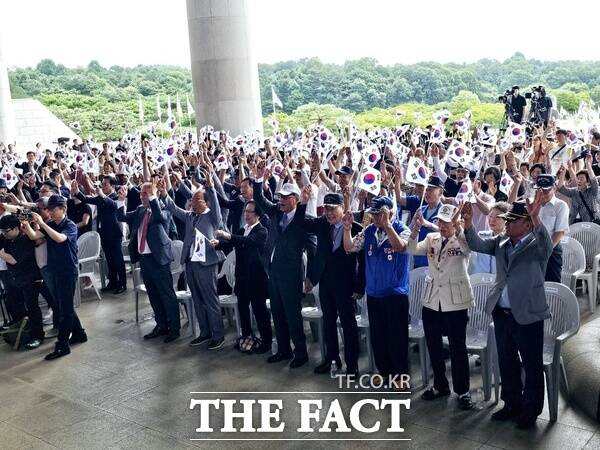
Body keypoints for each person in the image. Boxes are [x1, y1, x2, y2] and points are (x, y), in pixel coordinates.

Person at [462, 196, 553, 429]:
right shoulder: (501, 242)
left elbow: (547, 248)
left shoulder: (536, 245)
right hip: (502, 313)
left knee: (531, 364)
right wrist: (469, 224)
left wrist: (536, 217)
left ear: (526, 224)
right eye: (508, 220)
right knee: (507, 360)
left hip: (527, 312)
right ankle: (511, 403)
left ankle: (530, 409)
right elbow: (477, 245)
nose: (508, 224)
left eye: (513, 221)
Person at [408, 204, 474, 409]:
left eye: (447, 221)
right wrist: (416, 228)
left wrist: (459, 226)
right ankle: (440, 385)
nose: (443, 225)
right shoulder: (432, 239)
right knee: (434, 346)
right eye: (440, 221)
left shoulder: (462, 239)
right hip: (432, 300)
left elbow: (467, 247)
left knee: (457, 348)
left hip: (455, 301)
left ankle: (463, 391)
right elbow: (411, 249)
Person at [343, 196, 410, 384]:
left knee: (397, 337)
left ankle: (400, 377)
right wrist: (347, 229)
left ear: (388, 213)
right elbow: (349, 247)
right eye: (373, 214)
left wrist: (388, 226)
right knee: (378, 336)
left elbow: (400, 247)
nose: (374, 218)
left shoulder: (402, 230)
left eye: (378, 214)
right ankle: (385, 371)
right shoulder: (369, 231)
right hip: (373, 293)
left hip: (395, 294)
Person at [253, 170, 316, 369]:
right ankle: (283, 350)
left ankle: (301, 353)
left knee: (292, 315)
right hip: (273, 272)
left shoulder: (303, 219)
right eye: (279, 197)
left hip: (291, 275)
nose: (280, 200)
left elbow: (313, 249)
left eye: (285, 197)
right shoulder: (276, 212)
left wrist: (310, 277)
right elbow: (259, 199)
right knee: (278, 314)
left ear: (295, 200)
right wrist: (258, 179)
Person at [159, 167, 226, 351]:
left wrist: (211, 187)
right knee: (197, 299)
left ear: (205, 202)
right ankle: (204, 332)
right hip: (191, 262)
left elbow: (216, 204)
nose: (192, 201)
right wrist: (165, 193)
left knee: (210, 299)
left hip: (206, 263)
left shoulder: (212, 216)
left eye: (196, 199)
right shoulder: (190, 216)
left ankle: (218, 335)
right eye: (192, 199)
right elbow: (173, 209)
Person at [300, 192, 363, 375]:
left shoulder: (356, 228)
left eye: (333, 209)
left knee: (348, 325)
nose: (329, 213)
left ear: (342, 208)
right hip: (326, 282)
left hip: (346, 285)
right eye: (326, 209)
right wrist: (303, 202)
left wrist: (360, 286)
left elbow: (362, 262)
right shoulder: (321, 224)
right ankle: (331, 359)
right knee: (328, 323)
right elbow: (301, 222)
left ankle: (352, 365)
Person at [22, 195, 87, 360]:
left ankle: (62, 345)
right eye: (48, 208)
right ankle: (79, 333)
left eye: (53, 209)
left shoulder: (70, 225)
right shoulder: (50, 224)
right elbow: (34, 236)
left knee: (64, 310)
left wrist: (42, 223)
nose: (49, 211)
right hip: (56, 270)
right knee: (63, 305)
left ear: (63, 209)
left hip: (68, 270)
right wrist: (26, 225)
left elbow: (59, 239)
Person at [116, 182, 180, 343]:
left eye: (145, 193)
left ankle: (174, 328)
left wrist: (153, 197)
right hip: (144, 259)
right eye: (141, 193)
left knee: (166, 294)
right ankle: (161, 325)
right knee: (153, 294)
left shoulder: (163, 208)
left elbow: (158, 217)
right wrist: (120, 201)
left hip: (158, 259)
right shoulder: (139, 210)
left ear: (153, 195)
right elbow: (121, 217)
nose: (142, 196)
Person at [215, 200, 272, 354]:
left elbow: (248, 241)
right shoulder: (242, 229)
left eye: (250, 212)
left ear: (258, 215)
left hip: (256, 278)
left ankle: (266, 342)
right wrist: (217, 244)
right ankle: (246, 337)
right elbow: (230, 244)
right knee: (243, 310)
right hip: (241, 277)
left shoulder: (262, 231)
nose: (246, 214)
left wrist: (228, 235)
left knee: (259, 311)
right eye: (245, 211)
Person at [72, 176, 127, 294]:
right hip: (103, 232)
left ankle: (122, 283)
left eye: (105, 184)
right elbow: (86, 199)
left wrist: (102, 195)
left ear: (112, 185)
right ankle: (112, 282)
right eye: (102, 184)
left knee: (117, 259)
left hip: (114, 232)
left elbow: (114, 205)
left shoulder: (116, 196)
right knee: (109, 259)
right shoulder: (100, 197)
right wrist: (77, 191)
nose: (102, 186)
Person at [0, 214, 44, 349]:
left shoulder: (24, 239)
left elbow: (13, 260)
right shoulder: (6, 238)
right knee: (16, 305)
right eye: (2, 231)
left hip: (30, 278)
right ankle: (23, 332)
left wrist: (1, 253)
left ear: (16, 228)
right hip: (15, 279)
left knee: (32, 308)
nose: (4, 234)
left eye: (6, 231)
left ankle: (38, 336)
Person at [533, 174, 569, 282]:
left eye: (546, 191)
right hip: (532, 248)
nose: (542, 194)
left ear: (554, 188)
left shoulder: (561, 206)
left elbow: (559, 233)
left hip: (551, 250)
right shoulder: (531, 204)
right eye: (539, 190)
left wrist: (545, 251)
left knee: (551, 285)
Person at [468, 202, 509, 274]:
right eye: (490, 216)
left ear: (507, 220)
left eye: (497, 217)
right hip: (479, 282)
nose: (492, 220)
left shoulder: (511, 241)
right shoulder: (481, 235)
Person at [557, 155, 599, 224]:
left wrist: (588, 165)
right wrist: (563, 173)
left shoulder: (593, 191)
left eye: (581, 178)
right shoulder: (574, 191)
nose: (579, 180)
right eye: (578, 178)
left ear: (588, 182)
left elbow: (594, 181)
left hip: (590, 224)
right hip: (573, 222)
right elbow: (561, 188)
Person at [412, 177, 443, 268]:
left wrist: (428, 224)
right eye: (426, 189)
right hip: (418, 260)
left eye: (431, 190)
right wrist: (414, 222)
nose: (427, 193)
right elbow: (409, 231)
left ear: (440, 193)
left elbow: (447, 233)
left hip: (436, 263)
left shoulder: (444, 212)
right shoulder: (421, 210)